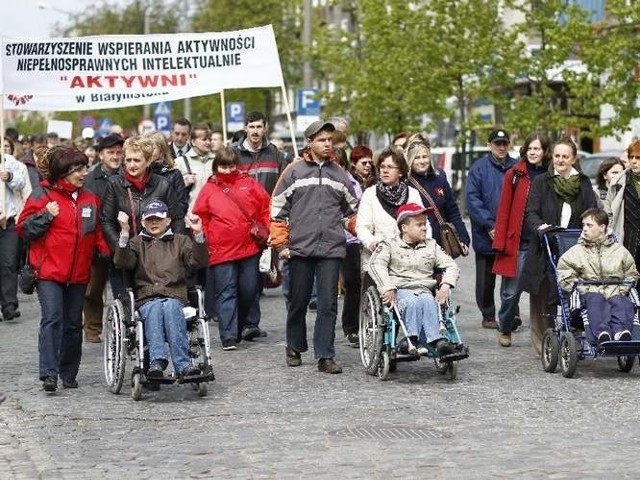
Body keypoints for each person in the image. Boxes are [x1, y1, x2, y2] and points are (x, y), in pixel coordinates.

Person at [17, 146, 110, 391]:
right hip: (49, 273)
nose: (83, 173)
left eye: (84, 168)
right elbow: (23, 230)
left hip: (79, 274)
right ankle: (49, 374)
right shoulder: (42, 196)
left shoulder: (90, 198)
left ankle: (68, 373)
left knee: (72, 324)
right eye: (77, 169)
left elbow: (97, 231)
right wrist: (46, 216)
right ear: (63, 172)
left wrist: (107, 250)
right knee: (52, 319)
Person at [271, 120, 359, 373]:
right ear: (309, 142)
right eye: (322, 140)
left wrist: (363, 231)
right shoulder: (293, 172)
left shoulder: (340, 174)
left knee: (328, 303)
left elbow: (351, 212)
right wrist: (281, 243)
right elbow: (277, 210)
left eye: (330, 140)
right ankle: (294, 346)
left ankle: (325, 355)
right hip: (299, 247)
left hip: (331, 248)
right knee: (298, 301)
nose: (327, 144)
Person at [113, 200, 206, 379]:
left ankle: (183, 365)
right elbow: (122, 262)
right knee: (155, 308)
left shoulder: (181, 241)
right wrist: (124, 232)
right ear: (143, 223)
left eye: (158, 219)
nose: (154, 223)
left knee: (170, 307)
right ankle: (157, 360)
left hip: (174, 295)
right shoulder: (136, 243)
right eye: (149, 219)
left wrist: (198, 234)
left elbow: (198, 262)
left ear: (168, 221)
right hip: (147, 296)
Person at [521, 138, 598, 353]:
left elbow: (591, 209)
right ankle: (543, 344)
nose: (560, 160)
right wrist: (541, 227)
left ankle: (574, 333)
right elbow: (531, 212)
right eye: (557, 156)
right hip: (545, 243)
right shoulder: (542, 181)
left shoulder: (582, 183)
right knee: (542, 294)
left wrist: (589, 229)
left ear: (574, 158)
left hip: (573, 244)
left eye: (565, 156)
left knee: (572, 290)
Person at [192, 147, 270, 350]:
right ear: (216, 166)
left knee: (249, 289)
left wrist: (266, 229)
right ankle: (228, 335)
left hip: (248, 248)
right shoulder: (209, 189)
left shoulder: (248, 184)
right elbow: (200, 216)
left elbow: (265, 207)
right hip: (221, 251)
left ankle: (242, 324)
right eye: (223, 166)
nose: (227, 171)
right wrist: (207, 239)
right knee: (226, 292)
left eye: (231, 166)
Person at [369, 203, 459, 355]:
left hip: (424, 289)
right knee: (412, 302)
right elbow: (375, 264)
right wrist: (387, 287)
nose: (424, 228)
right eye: (419, 225)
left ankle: (436, 341)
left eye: (425, 224)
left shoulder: (432, 245)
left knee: (429, 301)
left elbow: (452, 266)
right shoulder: (389, 245)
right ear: (404, 228)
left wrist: (445, 286)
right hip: (400, 290)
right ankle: (411, 340)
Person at [492, 133, 551, 347]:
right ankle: (505, 326)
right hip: (520, 242)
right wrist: (500, 242)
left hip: (543, 242)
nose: (533, 152)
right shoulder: (514, 174)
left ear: (545, 152)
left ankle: (546, 332)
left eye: (537, 149)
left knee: (544, 291)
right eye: (530, 149)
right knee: (511, 292)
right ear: (524, 151)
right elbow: (504, 210)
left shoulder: (550, 174)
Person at [557, 208, 639, 345]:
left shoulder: (620, 251)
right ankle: (602, 333)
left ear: (602, 227)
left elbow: (631, 273)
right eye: (583, 225)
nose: (584, 229)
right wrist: (578, 287)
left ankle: (621, 332)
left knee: (623, 302)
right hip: (589, 293)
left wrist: (622, 290)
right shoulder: (575, 252)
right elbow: (564, 272)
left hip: (615, 292)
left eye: (589, 225)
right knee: (596, 300)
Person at [465, 129, 518, 329]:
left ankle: (511, 313)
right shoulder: (478, 168)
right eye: (497, 144)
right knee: (486, 280)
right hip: (486, 234)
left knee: (511, 277)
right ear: (489, 145)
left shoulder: (516, 167)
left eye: (504, 143)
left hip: (510, 233)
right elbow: (472, 199)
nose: (501, 147)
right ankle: (488, 315)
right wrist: (489, 225)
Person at [101, 136, 185, 258]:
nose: (131, 165)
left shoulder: (163, 184)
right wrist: (121, 249)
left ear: (148, 160)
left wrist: (171, 250)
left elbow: (177, 219)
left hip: (158, 256)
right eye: (128, 160)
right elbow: (106, 222)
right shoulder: (114, 184)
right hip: (125, 256)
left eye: (137, 160)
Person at [356, 146, 428, 273]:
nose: (385, 171)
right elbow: (362, 227)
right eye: (382, 167)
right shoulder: (370, 194)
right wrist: (372, 243)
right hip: (377, 263)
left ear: (400, 171)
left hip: (409, 263)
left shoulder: (412, 194)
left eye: (390, 167)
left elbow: (424, 225)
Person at [82, 133, 125, 343]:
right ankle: (92, 327)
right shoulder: (89, 179)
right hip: (97, 241)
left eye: (119, 152)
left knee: (123, 286)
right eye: (111, 152)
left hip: (121, 238)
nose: (115, 156)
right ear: (101, 155)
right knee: (93, 288)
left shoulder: (128, 174)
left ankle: (123, 324)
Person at [405, 133, 470, 253]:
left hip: (441, 246)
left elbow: (453, 211)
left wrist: (463, 238)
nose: (422, 161)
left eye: (425, 157)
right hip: (416, 247)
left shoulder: (440, 180)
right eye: (417, 158)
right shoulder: (405, 184)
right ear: (410, 160)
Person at [233, 111, 288, 196]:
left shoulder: (275, 154)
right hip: (242, 208)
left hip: (268, 207)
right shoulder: (233, 154)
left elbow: (286, 182)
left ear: (265, 129)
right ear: (245, 128)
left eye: (259, 127)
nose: (255, 131)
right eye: (251, 127)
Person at [605, 140, 640, 272]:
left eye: (638, 157)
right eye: (631, 157)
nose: (634, 161)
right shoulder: (618, 181)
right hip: (627, 235)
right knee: (627, 276)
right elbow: (608, 209)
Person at [0, 151, 27, 321]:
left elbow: (21, 182)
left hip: (8, 222)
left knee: (9, 263)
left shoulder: (8, 161)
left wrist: (9, 176)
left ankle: (9, 305)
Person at [174, 123, 216, 213]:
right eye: (204, 139)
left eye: (209, 139)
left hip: (213, 215)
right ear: (193, 142)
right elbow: (171, 191)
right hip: (190, 216)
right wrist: (184, 182)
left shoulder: (217, 161)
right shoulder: (180, 162)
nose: (208, 142)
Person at [146, 130, 189, 216]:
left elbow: (182, 205)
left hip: (168, 224)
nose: (148, 151)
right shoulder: (141, 173)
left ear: (162, 151)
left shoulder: (174, 174)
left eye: (153, 148)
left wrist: (161, 214)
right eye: (146, 148)